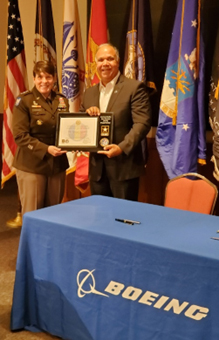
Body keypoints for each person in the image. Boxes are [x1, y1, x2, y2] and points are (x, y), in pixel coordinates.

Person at [80, 43, 151, 201]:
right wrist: (87, 115)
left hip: (124, 167)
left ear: (118, 62)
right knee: (100, 218)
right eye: (101, 60)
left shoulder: (134, 88)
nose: (105, 64)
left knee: (123, 219)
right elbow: (81, 124)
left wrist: (121, 148)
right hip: (97, 169)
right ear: (96, 64)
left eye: (110, 59)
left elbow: (142, 123)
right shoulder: (89, 93)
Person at [12, 60, 69, 215]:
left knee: (54, 212)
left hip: (57, 164)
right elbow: (20, 136)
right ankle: (31, 241)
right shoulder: (24, 101)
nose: (44, 81)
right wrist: (46, 149)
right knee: (33, 212)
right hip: (32, 164)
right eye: (40, 77)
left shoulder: (62, 100)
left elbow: (67, 129)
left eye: (48, 77)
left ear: (54, 78)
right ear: (34, 78)